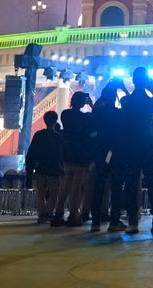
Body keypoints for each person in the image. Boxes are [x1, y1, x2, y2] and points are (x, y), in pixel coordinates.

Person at [119, 67, 153, 234]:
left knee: (131, 184)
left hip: (131, 147)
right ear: (146, 81)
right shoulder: (148, 100)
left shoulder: (126, 101)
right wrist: (152, 89)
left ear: (133, 81)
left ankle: (133, 220)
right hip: (149, 146)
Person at [89, 80, 125, 232]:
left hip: (99, 153)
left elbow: (91, 134)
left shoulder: (97, 113)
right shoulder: (117, 114)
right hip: (115, 152)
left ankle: (95, 222)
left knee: (98, 187)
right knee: (116, 188)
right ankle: (114, 221)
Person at [55, 91, 95, 227]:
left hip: (68, 154)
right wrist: (92, 106)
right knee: (78, 188)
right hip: (82, 156)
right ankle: (73, 213)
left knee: (65, 187)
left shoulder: (65, 114)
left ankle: (58, 213)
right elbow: (95, 121)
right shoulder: (86, 118)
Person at [26, 110, 65, 223]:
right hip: (55, 168)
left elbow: (32, 152)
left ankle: (42, 213)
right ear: (55, 121)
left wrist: (30, 169)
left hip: (41, 168)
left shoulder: (38, 135)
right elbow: (62, 154)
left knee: (41, 192)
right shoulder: (59, 137)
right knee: (54, 192)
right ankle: (49, 212)